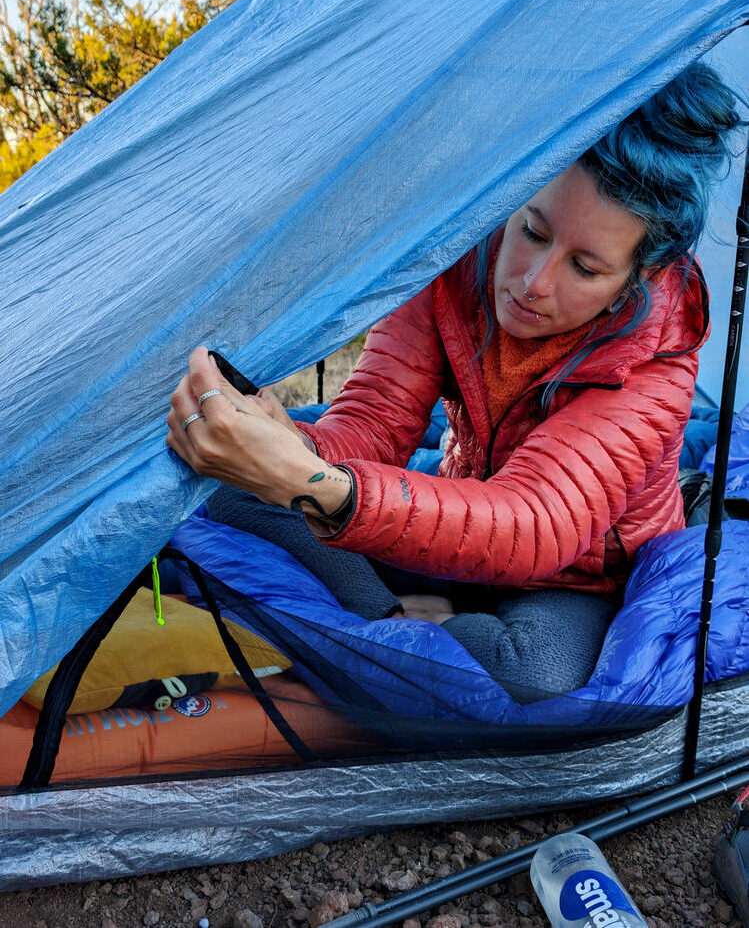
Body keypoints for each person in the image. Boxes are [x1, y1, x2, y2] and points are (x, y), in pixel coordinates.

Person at [166, 62, 744, 701]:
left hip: (571, 579)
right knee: (230, 486)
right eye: (532, 230)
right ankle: (395, 623)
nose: (531, 282)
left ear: (635, 279)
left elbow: (536, 524)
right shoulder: (457, 260)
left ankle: (398, 632)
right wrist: (297, 451)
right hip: (453, 515)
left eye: (584, 267)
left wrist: (318, 489)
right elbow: (375, 422)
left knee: (534, 675)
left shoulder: (656, 356)